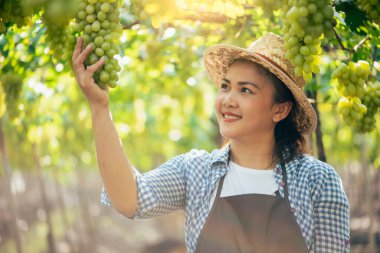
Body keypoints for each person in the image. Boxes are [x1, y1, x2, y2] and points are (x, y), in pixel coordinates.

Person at [72, 33, 350, 253]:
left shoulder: (317, 180)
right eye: (225, 86)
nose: (228, 99)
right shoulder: (196, 171)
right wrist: (100, 107)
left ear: (280, 110)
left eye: (246, 90)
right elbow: (129, 199)